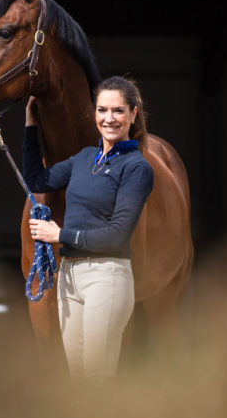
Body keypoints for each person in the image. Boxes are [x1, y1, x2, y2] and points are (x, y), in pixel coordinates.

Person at [23, 76, 154, 382]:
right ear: (94, 113)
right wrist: (31, 126)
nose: (109, 118)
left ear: (133, 114)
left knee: (96, 377)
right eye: (102, 110)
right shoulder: (83, 159)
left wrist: (59, 235)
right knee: (79, 378)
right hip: (70, 276)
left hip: (106, 276)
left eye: (118, 111)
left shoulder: (137, 168)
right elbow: (37, 180)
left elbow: (117, 234)